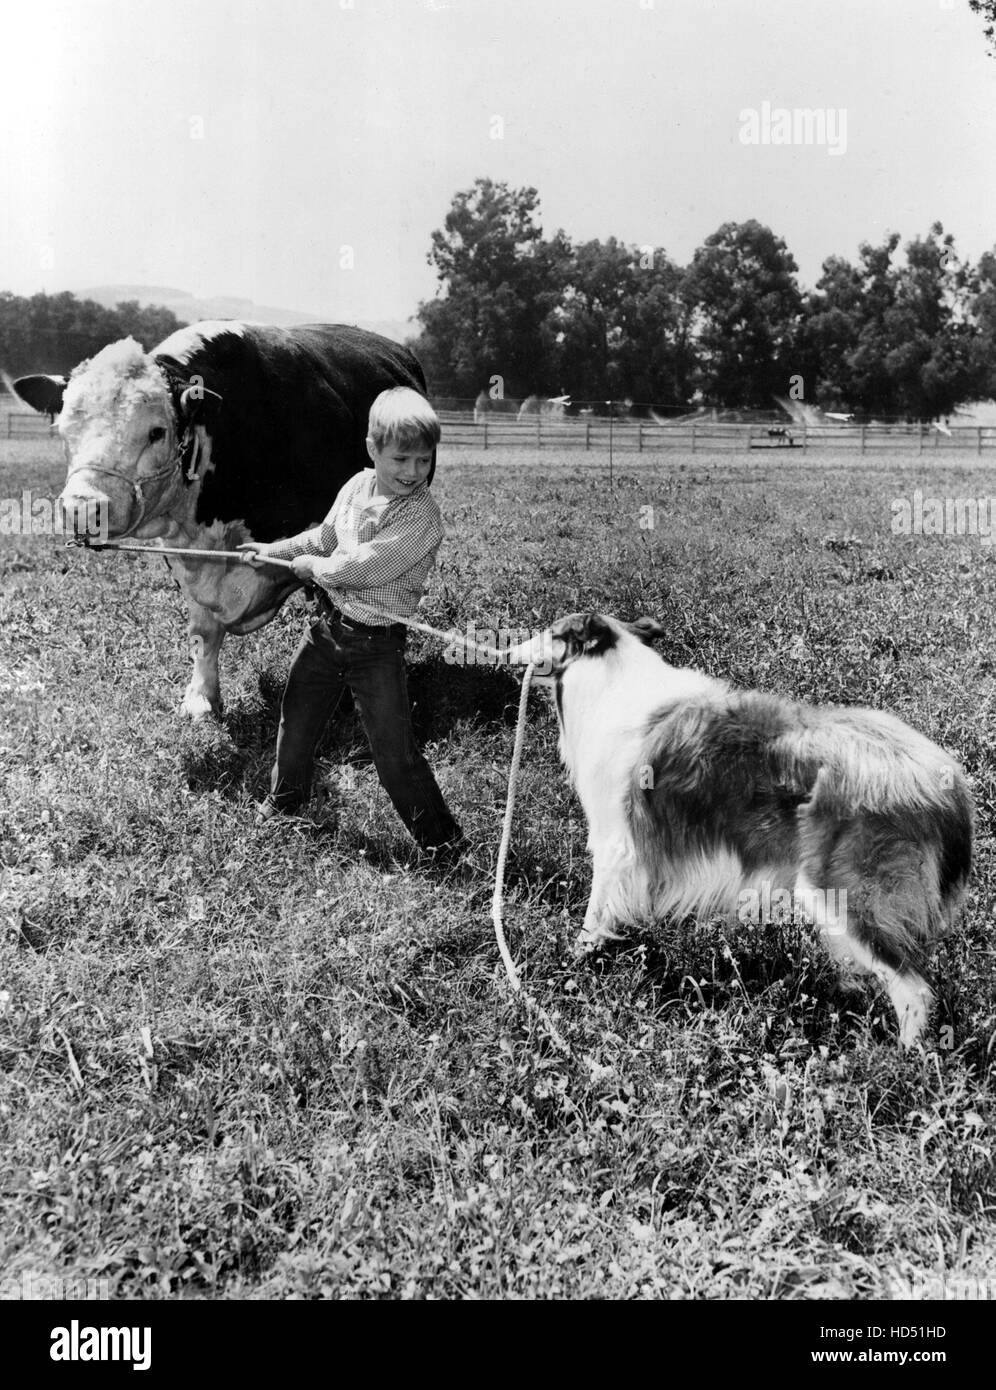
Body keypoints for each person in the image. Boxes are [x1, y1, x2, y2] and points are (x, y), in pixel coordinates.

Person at [240, 387, 465, 864]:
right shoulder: (356, 486)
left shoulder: (421, 516)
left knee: (394, 755)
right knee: (296, 721)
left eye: (424, 461)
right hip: (325, 631)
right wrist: (273, 551)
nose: (413, 472)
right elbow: (323, 538)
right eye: (401, 458)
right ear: (372, 450)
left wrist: (311, 569)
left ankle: (444, 845)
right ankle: (284, 806)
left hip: (376, 647)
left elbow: (364, 567)